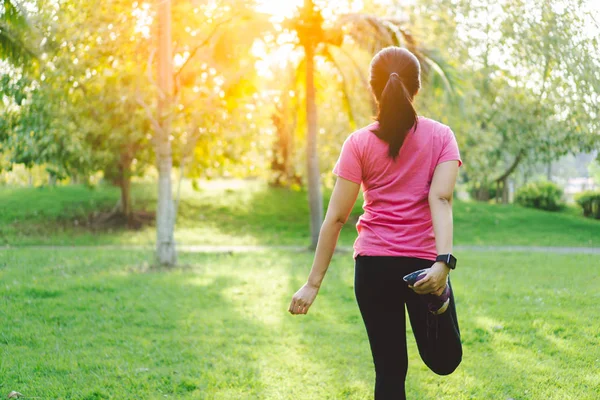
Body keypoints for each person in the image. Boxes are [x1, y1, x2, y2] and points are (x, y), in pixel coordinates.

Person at [288, 46, 463, 399]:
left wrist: (312, 284)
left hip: (373, 269)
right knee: (444, 361)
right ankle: (439, 298)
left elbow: (336, 217)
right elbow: (440, 199)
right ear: (417, 88)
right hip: (422, 268)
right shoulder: (441, 136)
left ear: (373, 88)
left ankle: (438, 297)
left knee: (390, 370)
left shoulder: (359, 143)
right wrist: (442, 263)